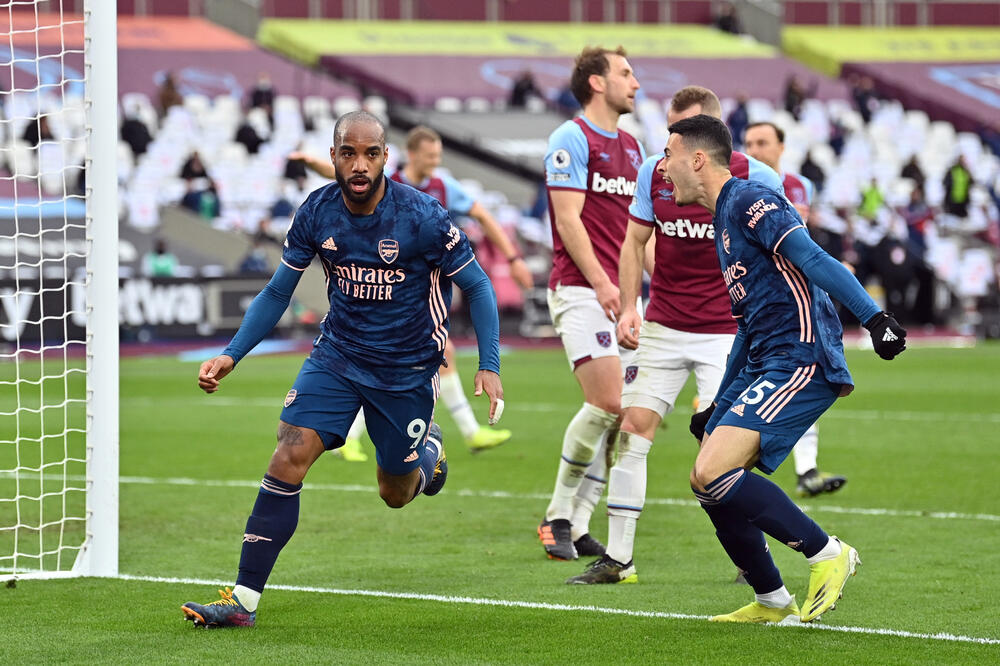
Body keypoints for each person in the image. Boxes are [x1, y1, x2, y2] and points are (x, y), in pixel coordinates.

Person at [181, 111, 504, 628]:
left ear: (385, 158)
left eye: (370, 154)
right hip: (338, 355)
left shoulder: (422, 216)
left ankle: (427, 455)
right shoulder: (316, 212)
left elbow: (480, 287)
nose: (359, 165)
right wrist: (232, 352)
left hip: (406, 369)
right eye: (348, 153)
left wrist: (489, 364)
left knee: (394, 494)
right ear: (332, 156)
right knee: (289, 452)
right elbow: (277, 292)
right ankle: (242, 602)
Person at [666, 114, 906, 623]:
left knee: (714, 471)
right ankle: (773, 601)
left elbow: (814, 258)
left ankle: (828, 554)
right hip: (766, 360)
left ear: (697, 159)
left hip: (801, 358)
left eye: (668, 156)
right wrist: (718, 403)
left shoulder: (753, 201)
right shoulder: (722, 225)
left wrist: (875, 318)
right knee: (704, 480)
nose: (662, 169)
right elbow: (747, 327)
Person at [566, 85, 782, 585]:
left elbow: (783, 245)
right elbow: (634, 240)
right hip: (664, 324)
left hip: (727, 333)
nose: (667, 148)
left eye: (676, 134)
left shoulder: (757, 177)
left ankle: (751, 562)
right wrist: (628, 307)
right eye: (667, 133)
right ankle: (619, 560)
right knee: (633, 429)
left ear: (706, 139)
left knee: (724, 446)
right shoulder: (652, 173)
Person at [289, 126, 532, 458]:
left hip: (425, 292)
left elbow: (482, 215)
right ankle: (464, 433)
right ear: (413, 153)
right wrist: (311, 162)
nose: (435, 161)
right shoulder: (385, 179)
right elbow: (340, 172)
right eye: (430, 155)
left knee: (436, 355)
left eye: (438, 156)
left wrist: (513, 257)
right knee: (402, 363)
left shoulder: (443, 187)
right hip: (380, 299)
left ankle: (462, 433)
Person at [538, 45, 643, 561]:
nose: (636, 83)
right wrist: (605, 285)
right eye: (626, 73)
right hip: (581, 289)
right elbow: (568, 219)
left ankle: (578, 524)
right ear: (597, 83)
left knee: (625, 418)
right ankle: (557, 513)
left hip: (622, 297)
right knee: (608, 402)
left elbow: (641, 234)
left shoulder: (633, 147)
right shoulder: (570, 139)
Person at [743, 121, 847, 498]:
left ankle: (806, 469)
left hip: (792, 299)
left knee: (800, 377)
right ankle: (732, 469)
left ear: (781, 147)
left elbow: (799, 241)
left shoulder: (800, 186)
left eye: (763, 142)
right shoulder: (735, 188)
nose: (754, 149)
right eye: (749, 142)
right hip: (750, 299)